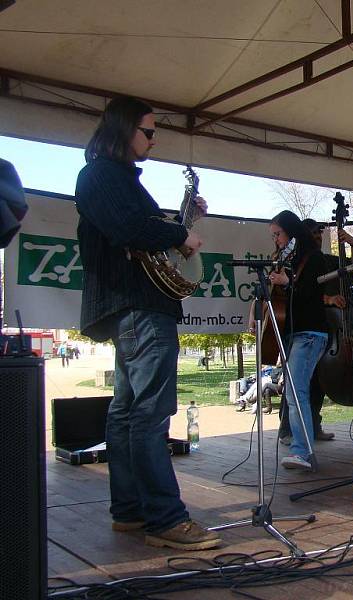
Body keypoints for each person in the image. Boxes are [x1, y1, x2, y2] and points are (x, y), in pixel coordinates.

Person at [74, 96, 220, 550]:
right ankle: (165, 519)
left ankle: (131, 511)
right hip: (139, 308)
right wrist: (181, 233)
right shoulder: (101, 175)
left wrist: (181, 220)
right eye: (149, 131)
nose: (154, 140)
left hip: (133, 309)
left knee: (126, 413)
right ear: (123, 130)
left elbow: (141, 229)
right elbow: (131, 229)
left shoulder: (113, 179)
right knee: (150, 415)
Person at [249, 210, 330, 471]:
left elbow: (315, 293)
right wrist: (256, 312)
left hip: (311, 333)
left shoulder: (314, 258)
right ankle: (301, 447)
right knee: (295, 392)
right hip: (293, 333)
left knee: (296, 391)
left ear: (291, 232)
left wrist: (289, 281)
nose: (276, 240)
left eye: (278, 234)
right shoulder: (287, 260)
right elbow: (275, 296)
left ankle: (301, 450)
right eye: (273, 236)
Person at [276, 218, 353, 445]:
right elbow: (302, 292)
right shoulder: (294, 259)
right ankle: (289, 430)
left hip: (321, 330)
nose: (317, 236)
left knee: (314, 384)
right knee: (297, 384)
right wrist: (329, 299)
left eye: (319, 233)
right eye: (312, 232)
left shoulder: (324, 260)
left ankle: (313, 427)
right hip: (303, 327)